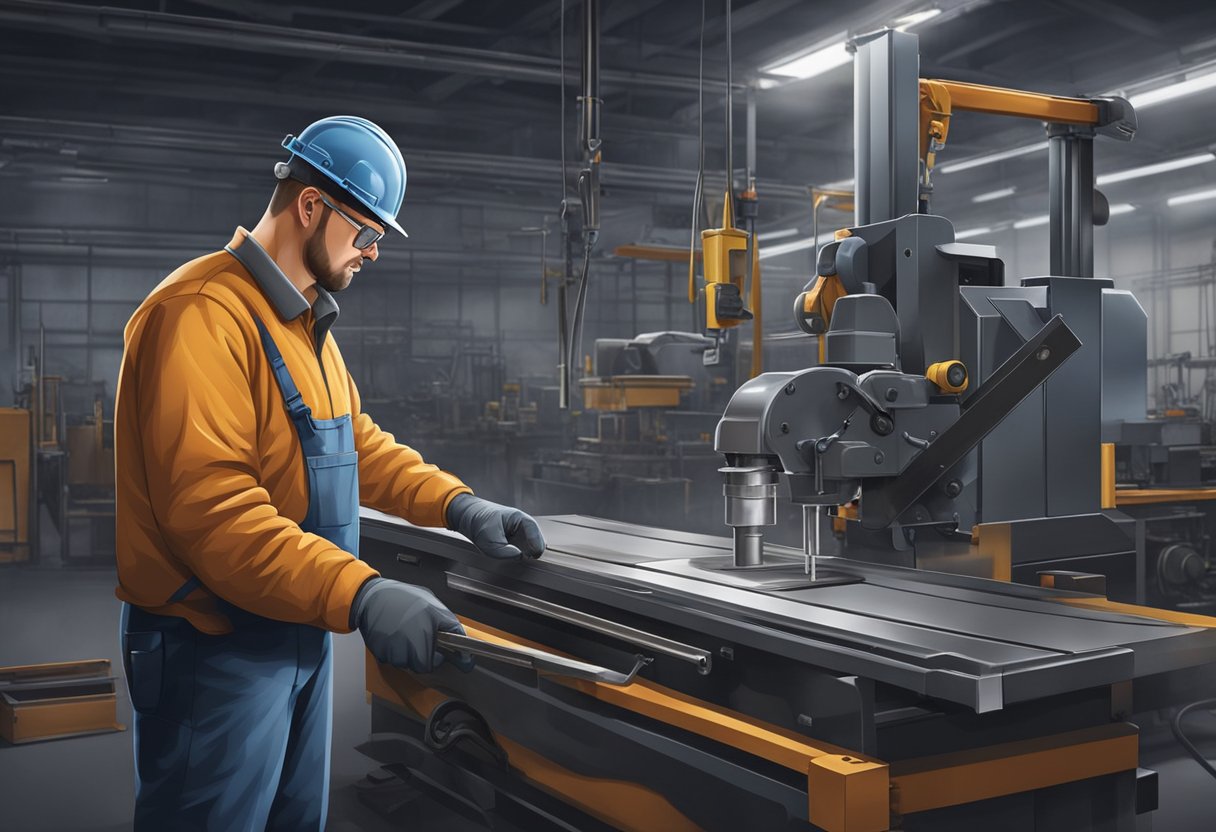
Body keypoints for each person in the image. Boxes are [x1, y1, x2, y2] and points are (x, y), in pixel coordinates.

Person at [113, 115, 545, 831]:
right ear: (311, 205)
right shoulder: (199, 316)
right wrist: (364, 593)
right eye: (366, 232)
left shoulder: (302, 322)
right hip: (213, 652)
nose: (373, 252)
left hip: (298, 632)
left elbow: (356, 446)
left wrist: (461, 507)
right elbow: (214, 516)